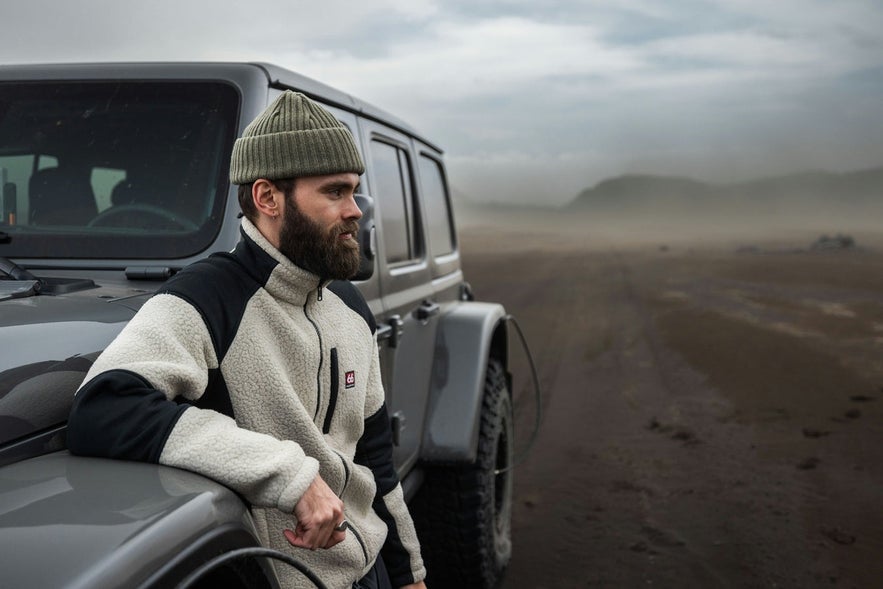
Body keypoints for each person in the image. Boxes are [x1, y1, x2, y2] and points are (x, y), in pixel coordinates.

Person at [67, 91, 428, 589]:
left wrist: (410, 573)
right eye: (335, 192)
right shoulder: (205, 301)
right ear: (267, 198)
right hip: (283, 575)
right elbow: (104, 408)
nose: (356, 211)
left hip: (367, 569)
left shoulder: (350, 306)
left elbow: (375, 458)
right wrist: (289, 476)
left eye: (355, 192)